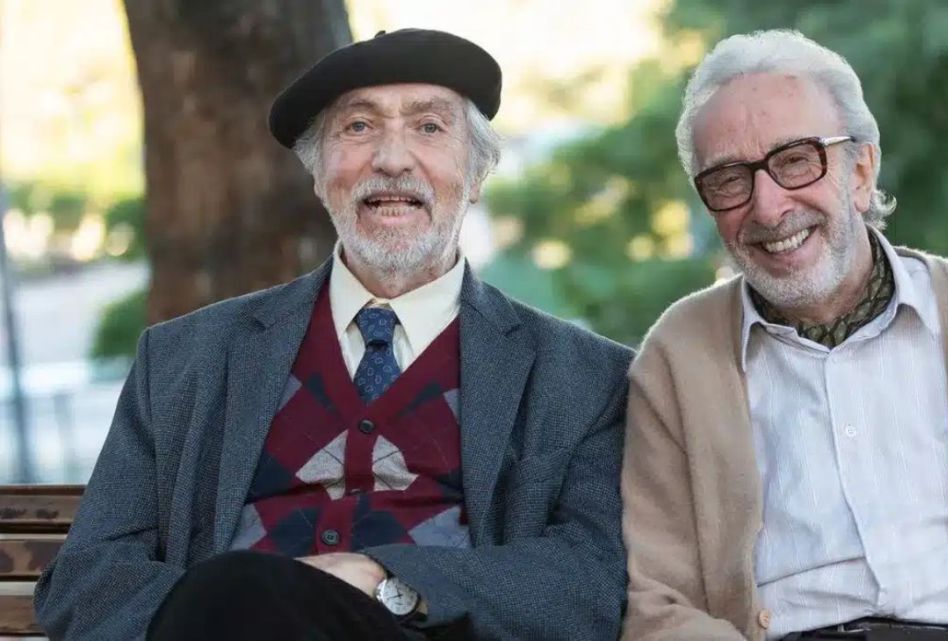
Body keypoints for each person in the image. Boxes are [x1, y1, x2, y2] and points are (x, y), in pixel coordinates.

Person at [35, 29, 632, 641]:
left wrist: (384, 582)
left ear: (476, 176)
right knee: (239, 588)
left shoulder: (586, 378)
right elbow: (87, 578)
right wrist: (239, 607)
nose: (392, 159)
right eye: (359, 127)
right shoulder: (182, 360)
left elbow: (591, 582)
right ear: (319, 177)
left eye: (429, 127)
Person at [620, 29, 948, 641]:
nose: (767, 207)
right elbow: (656, 604)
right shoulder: (678, 357)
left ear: (861, 171)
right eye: (729, 179)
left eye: (796, 160)